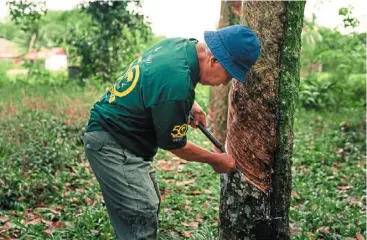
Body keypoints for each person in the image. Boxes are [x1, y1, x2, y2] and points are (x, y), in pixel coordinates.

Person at [82, 24, 261, 240]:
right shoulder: (177, 87)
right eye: (229, 74)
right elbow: (175, 145)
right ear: (214, 61)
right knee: (141, 213)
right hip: (112, 142)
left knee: (147, 203)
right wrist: (216, 160)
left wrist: (190, 105)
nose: (225, 83)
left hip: (118, 135)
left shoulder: (178, 46)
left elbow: (157, 77)